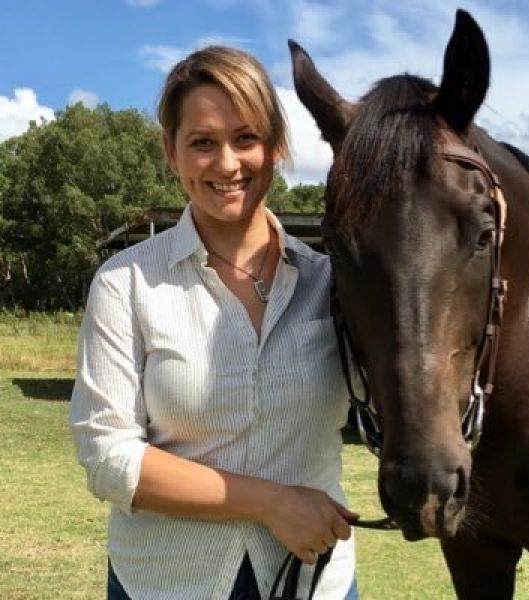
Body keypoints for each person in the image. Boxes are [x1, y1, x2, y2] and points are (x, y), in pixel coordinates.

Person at [69, 45, 359, 600]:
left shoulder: (332, 284)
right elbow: (109, 457)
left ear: (275, 148)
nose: (227, 163)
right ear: (171, 152)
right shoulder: (125, 282)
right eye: (202, 142)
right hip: (166, 580)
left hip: (314, 580)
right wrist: (272, 502)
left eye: (246, 139)